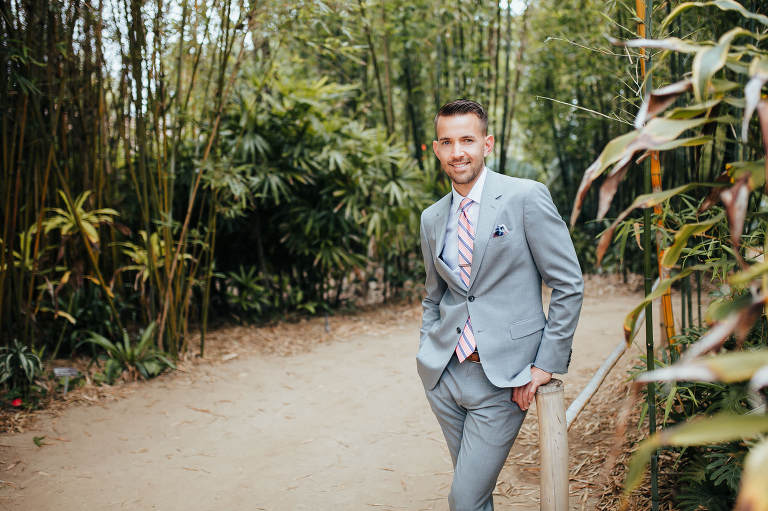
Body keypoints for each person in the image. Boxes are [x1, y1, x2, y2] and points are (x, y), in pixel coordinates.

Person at [417, 99, 583, 511]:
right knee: (476, 494)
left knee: (464, 498)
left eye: (468, 140)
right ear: (436, 149)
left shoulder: (525, 197)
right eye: (448, 142)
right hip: (445, 375)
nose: (458, 152)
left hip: (504, 381)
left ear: (487, 143)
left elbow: (568, 283)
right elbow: (433, 294)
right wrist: (427, 351)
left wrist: (545, 363)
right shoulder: (432, 218)